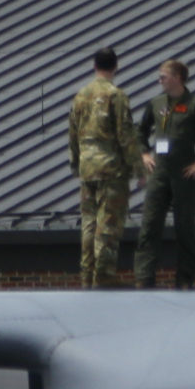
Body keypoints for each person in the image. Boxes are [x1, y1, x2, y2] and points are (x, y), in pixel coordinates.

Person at [133, 58, 195, 289]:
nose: (160, 80)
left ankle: (185, 279)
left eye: (163, 76)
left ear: (177, 78)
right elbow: (139, 131)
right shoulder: (156, 103)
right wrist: (144, 154)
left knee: (185, 228)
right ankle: (144, 278)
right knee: (149, 226)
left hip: (184, 173)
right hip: (159, 172)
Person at [66, 47, 146, 287]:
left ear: (94, 66)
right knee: (108, 224)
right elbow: (125, 135)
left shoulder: (80, 95)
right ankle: (104, 277)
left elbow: (72, 133)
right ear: (116, 67)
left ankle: (86, 276)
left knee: (89, 224)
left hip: (87, 169)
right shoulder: (116, 95)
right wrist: (138, 169)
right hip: (111, 170)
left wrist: (76, 163)